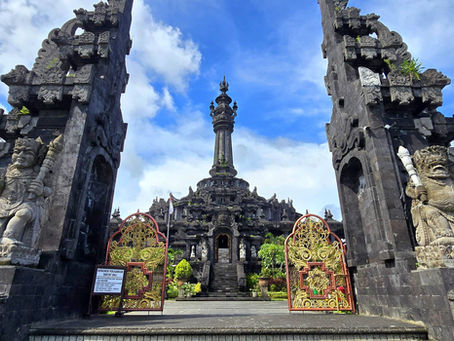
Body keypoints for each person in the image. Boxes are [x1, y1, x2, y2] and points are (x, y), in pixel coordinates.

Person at [0, 137, 48, 248]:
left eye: (27, 153)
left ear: (36, 157)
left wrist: (41, 190)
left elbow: (48, 191)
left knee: (24, 213)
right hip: (5, 201)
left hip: (26, 202)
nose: (21, 155)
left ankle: (9, 235)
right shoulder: (8, 170)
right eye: (17, 151)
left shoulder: (38, 173)